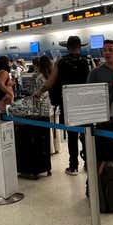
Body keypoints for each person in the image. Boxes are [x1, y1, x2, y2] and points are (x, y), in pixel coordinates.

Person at [35, 36, 91, 176]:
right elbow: (93, 81)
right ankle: (89, 163)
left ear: (67, 47)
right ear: (80, 47)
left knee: (72, 135)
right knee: (86, 134)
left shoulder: (61, 62)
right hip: (85, 103)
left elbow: (51, 82)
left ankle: (73, 167)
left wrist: (40, 91)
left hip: (68, 102)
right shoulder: (88, 61)